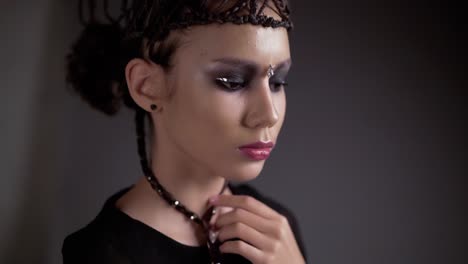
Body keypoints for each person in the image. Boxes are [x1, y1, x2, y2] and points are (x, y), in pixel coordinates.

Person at [62, 0, 307, 263]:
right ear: (147, 86)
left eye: (277, 82)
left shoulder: (276, 231)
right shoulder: (101, 253)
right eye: (233, 82)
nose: (269, 114)